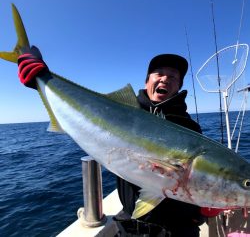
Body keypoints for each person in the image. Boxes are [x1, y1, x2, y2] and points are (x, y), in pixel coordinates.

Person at [17, 47, 223, 237]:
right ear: (147, 81)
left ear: (178, 86)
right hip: (131, 229)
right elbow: (84, 113)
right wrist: (40, 80)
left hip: (179, 231)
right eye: (159, 74)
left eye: (173, 77)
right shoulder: (118, 112)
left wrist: (206, 205)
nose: (165, 79)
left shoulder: (189, 128)